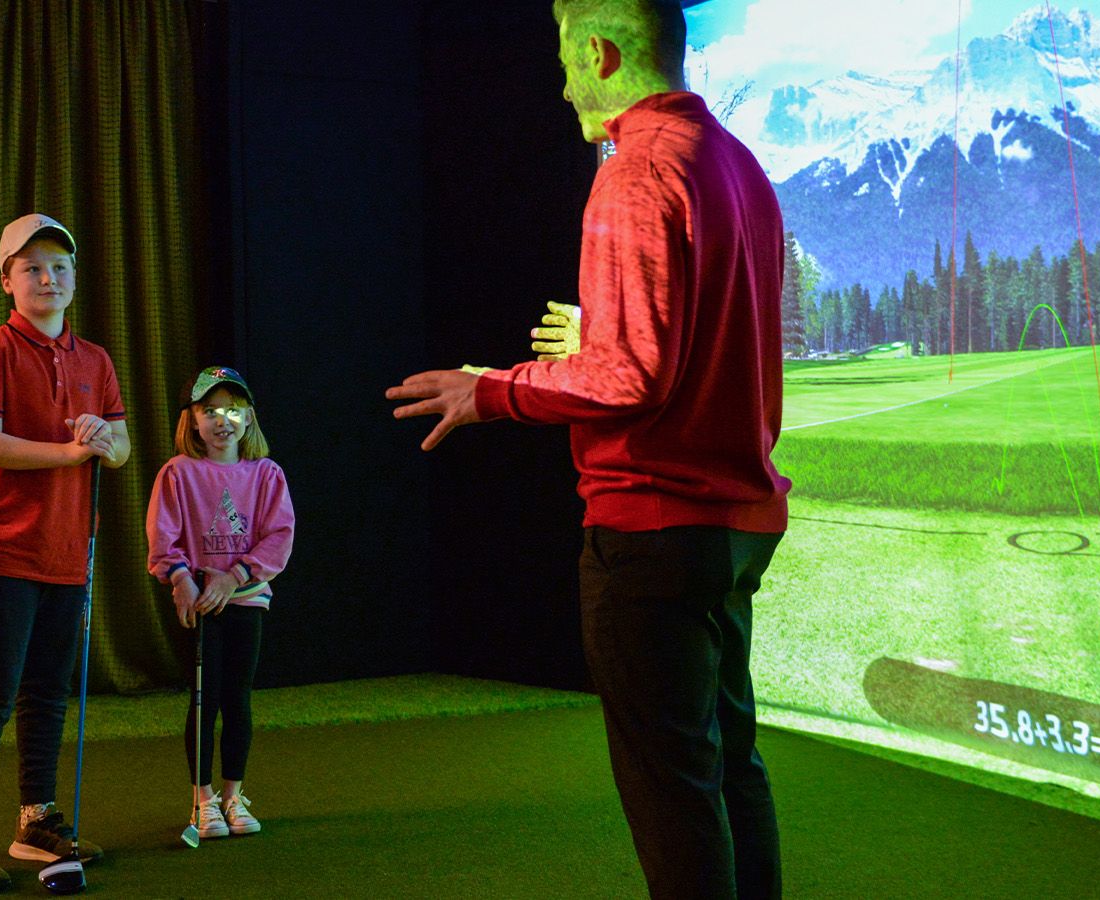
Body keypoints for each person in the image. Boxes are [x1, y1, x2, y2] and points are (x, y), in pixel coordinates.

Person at [386, 2, 789, 896]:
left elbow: (630, 378)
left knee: (674, 789)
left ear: (601, 53)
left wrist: (490, 390)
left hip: (654, 527)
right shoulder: (738, 163)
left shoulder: (635, 169)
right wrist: (596, 344)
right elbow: (694, 348)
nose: (564, 85)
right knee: (730, 765)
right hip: (734, 526)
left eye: (568, 59)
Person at [0, 214, 131, 892]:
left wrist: (101, 439)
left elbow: (121, 448)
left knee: (46, 692)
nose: (49, 279)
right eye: (33, 268)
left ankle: (35, 820)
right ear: (7, 280)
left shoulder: (95, 359)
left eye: (60, 268)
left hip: (67, 551)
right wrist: (71, 452)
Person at [146, 366, 295, 839]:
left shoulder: (266, 474)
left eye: (232, 410)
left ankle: (233, 796)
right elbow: (163, 539)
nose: (221, 420)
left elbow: (278, 537)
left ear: (248, 417)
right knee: (204, 699)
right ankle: (203, 801)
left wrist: (234, 578)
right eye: (210, 411)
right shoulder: (177, 472)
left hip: (245, 601)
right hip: (199, 603)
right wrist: (181, 580)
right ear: (192, 420)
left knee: (237, 697)